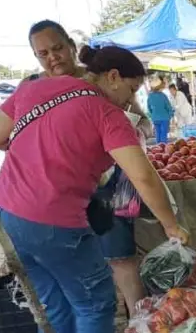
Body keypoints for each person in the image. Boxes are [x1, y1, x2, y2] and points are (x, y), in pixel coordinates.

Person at [0, 45, 187, 333]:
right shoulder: (107, 114)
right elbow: (142, 176)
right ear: (112, 77)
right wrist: (171, 224)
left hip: (8, 212)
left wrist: (40, 152)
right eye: (132, 88)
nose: (132, 98)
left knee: (55, 307)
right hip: (54, 220)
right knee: (94, 304)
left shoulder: (35, 88)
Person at [25, 20, 152, 316]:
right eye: (43, 53)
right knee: (74, 259)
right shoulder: (32, 88)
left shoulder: (104, 78)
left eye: (57, 48)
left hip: (112, 184)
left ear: (71, 44)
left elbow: (142, 122)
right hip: (61, 187)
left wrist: (131, 129)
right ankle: (99, 318)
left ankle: (138, 321)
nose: (53, 57)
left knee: (121, 257)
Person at [146, 78, 174, 143]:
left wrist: (152, 115)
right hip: (164, 118)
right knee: (163, 134)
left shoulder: (150, 96)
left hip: (155, 118)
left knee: (158, 133)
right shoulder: (163, 96)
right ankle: (163, 148)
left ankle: (158, 147)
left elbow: (149, 108)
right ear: (160, 87)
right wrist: (170, 115)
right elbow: (168, 107)